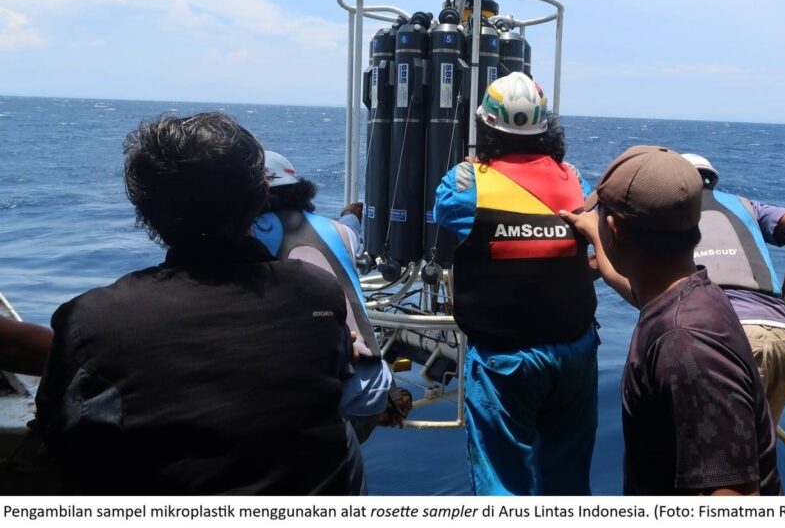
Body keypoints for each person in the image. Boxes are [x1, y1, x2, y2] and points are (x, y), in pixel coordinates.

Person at [34, 112, 366, 495]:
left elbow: (57, 429)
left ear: (143, 207)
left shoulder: (90, 321)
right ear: (262, 194)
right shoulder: (317, 292)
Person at [562, 145, 780, 496]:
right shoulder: (690, 295)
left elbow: (733, 497)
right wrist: (596, 236)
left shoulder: (686, 342)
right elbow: (634, 287)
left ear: (614, 229)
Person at [433, 72, 599, 496]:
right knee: (568, 479)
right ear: (546, 127)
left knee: (502, 482)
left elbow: (445, 213)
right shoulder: (574, 179)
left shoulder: (466, 183)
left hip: (504, 360)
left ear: (485, 127)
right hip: (574, 352)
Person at [252, 151, 402, 442]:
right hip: (371, 392)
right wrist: (351, 214)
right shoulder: (340, 231)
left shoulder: (253, 232)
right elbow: (352, 227)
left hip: (321, 398)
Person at [682, 153, 785, 424]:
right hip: (780, 337)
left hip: (718, 335)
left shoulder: (667, 211)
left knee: (713, 444)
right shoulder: (746, 205)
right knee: (761, 443)